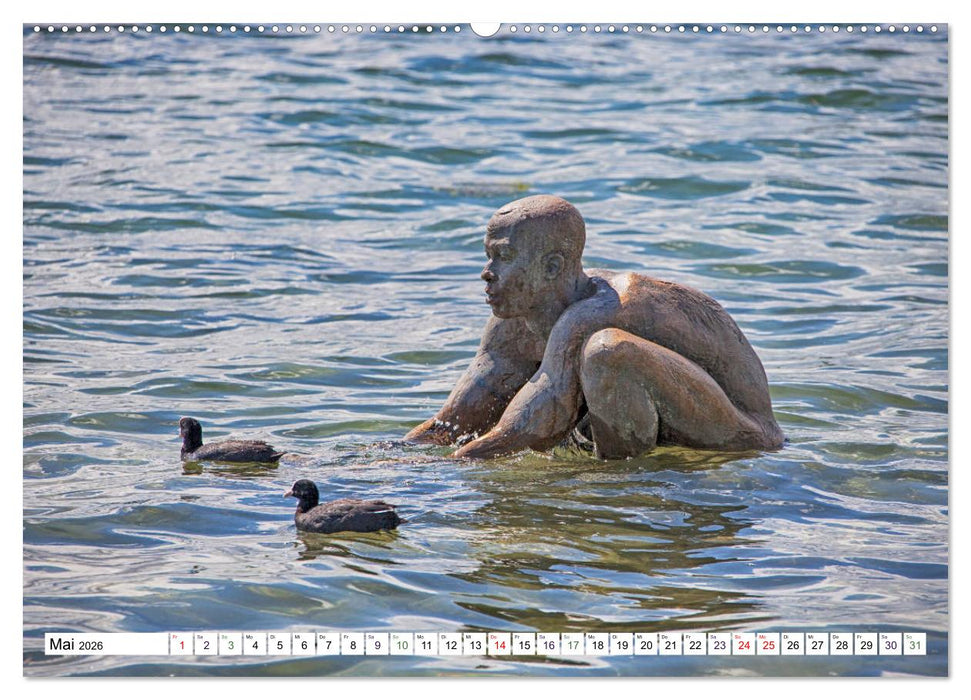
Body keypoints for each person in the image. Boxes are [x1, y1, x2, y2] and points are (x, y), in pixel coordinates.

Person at [405, 195, 784, 460]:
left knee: (606, 352)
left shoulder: (605, 308)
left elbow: (536, 424)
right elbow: (453, 423)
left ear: (552, 267)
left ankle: (619, 487)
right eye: (488, 256)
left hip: (743, 438)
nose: (486, 274)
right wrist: (384, 461)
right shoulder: (513, 321)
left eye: (503, 258)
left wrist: (450, 470)